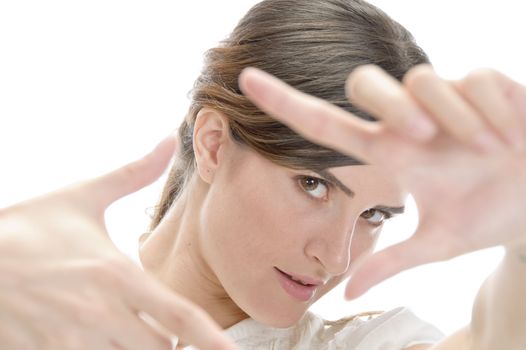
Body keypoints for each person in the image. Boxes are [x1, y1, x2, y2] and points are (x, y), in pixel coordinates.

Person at [0, 1, 525, 350]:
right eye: (313, 184)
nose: (336, 258)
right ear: (211, 144)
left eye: (373, 215)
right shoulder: (39, 304)